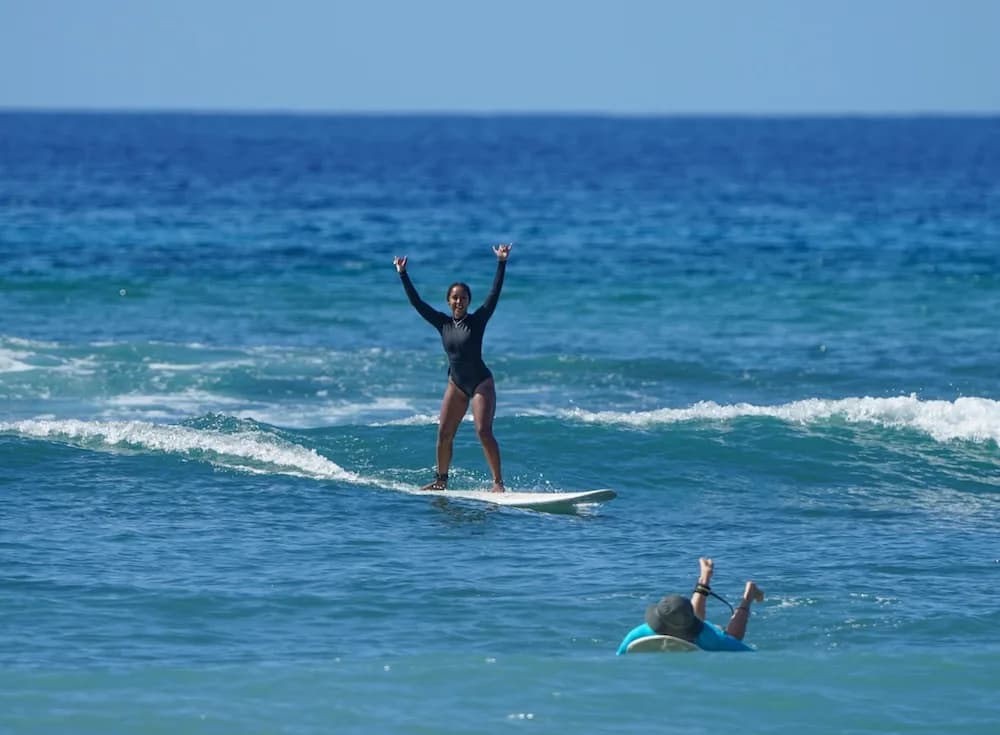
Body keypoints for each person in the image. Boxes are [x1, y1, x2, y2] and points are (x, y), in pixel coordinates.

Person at [393, 244, 511, 493]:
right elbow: (417, 303)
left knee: (483, 430)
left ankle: (498, 483)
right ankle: (441, 481)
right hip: (456, 384)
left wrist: (501, 262)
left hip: (480, 382)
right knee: (444, 433)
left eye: (463, 297)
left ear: (469, 301)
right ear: (448, 301)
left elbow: (494, 293)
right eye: (455, 297)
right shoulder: (442, 323)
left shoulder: (478, 320)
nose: (459, 301)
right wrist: (403, 274)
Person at [616, 558, 765, 654]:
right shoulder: (640, 632)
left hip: (703, 631)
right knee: (684, 616)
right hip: (690, 623)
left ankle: (748, 596)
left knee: (734, 637)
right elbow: (619, 657)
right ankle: (704, 579)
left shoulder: (711, 637)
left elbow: (747, 653)